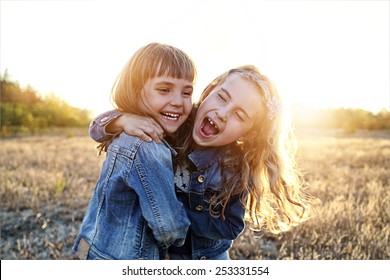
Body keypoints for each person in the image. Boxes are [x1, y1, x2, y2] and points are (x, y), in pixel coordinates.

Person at [90, 65, 318, 260]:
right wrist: (121, 120)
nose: (222, 113)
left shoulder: (235, 167)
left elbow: (231, 226)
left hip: (206, 257)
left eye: (239, 115)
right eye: (222, 97)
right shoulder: (173, 123)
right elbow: (97, 129)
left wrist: (176, 212)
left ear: (247, 134)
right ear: (208, 92)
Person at [73, 42, 197, 260]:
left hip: (97, 246)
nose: (178, 102)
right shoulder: (145, 143)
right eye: (164, 90)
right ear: (135, 89)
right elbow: (168, 226)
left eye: (187, 92)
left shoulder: (141, 131)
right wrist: (178, 244)